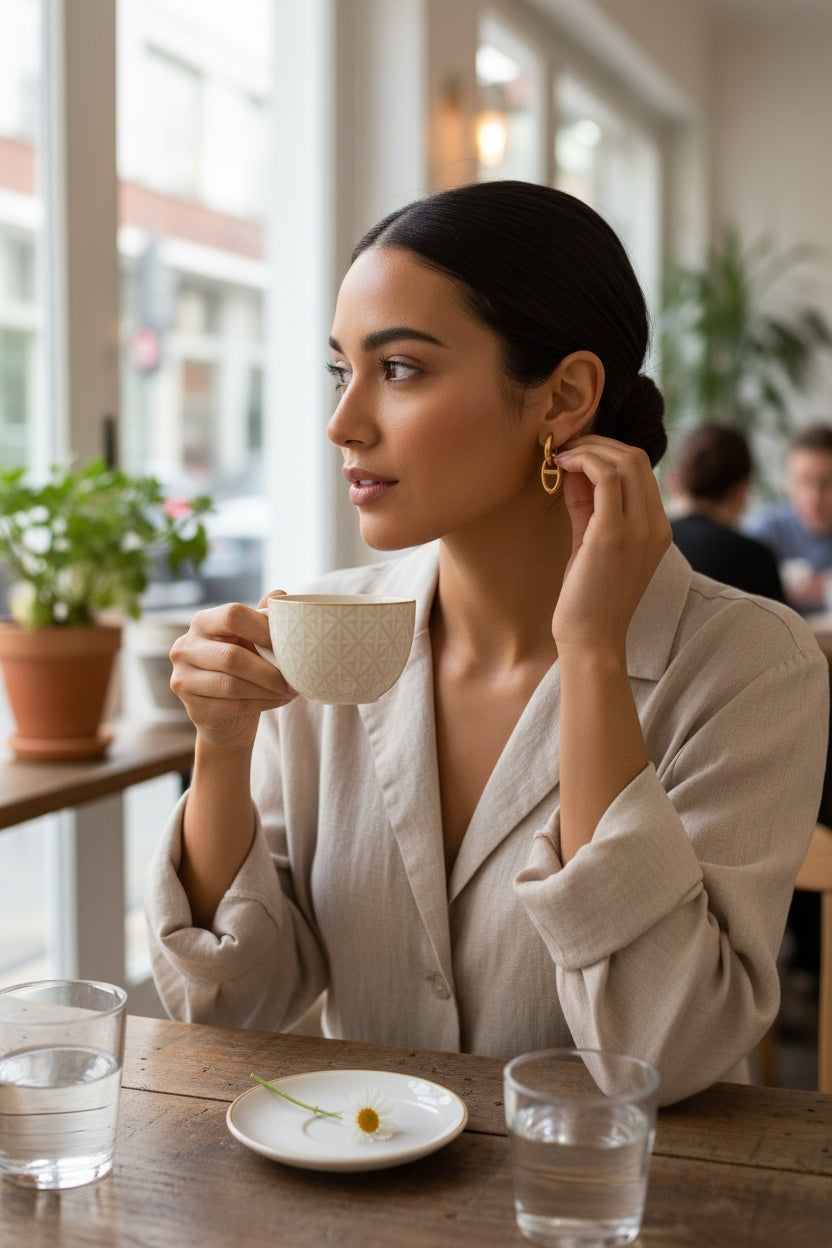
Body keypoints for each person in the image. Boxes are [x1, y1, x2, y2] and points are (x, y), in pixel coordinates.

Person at [146, 181, 828, 1106]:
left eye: (400, 370)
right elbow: (237, 1008)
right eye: (341, 371)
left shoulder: (750, 665)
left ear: (565, 397)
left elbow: (667, 1050)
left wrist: (590, 657)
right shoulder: (319, 631)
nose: (342, 423)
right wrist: (221, 748)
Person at [669, 424, 786, 601]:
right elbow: (783, 627)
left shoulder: (651, 543)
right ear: (742, 488)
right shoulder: (755, 559)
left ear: (675, 482)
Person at [746, 423, 832, 614]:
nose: (814, 496)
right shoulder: (766, 529)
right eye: (804, 482)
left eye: (826, 483)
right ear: (789, 483)